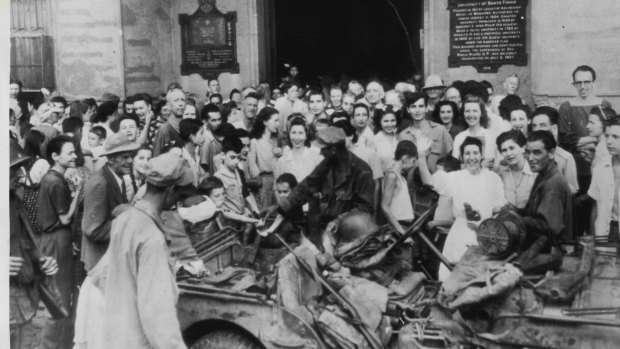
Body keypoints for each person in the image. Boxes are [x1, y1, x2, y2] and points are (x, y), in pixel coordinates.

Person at [98, 151, 193, 349]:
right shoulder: (152, 239)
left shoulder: (125, 219)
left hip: (114, 335)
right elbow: (157, 314)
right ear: (171, 190)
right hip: (138, 340)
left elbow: (101, 276)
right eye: (179, 193)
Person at [418, 136, 506, 281]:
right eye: (467, 153)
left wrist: (485, 227)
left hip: (486, 235)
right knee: (452, 278)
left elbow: (499, 211)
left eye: (475, 153)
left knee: (481, 281)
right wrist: (421, 156)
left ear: (481, 155)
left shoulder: (493, 178)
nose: (472, 157)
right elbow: (428, 181)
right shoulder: (454, 178)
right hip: (459, 235)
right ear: (461, 157)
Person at [268, 126, 375, 231]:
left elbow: (365, 209)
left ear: (333, 150)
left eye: (323, 149)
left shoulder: (362, 172)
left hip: (351, 231)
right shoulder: (327, 164)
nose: (320, 153)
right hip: (325, 227)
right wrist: (280, 206)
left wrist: (339, 220)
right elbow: (307, 186)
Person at [9, 139, 59, 349]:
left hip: (21, 304)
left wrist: (41, 261)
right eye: (13, 169)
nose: (21, 175)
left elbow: (25, 242)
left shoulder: (14, 201)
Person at [38, 136, 84, 349]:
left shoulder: (53, 178)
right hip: (57, 240)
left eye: (75, 152)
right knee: (59, 298)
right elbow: (65, 218)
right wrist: (78, 193)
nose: (75, 156)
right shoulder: (56, 181)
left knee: (61, 295)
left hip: (56, 239)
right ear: (55, 156)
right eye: (70, 153)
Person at [82, 132, 140, 271]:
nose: (130, 161)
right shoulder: (100, 184)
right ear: (111, 159)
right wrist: (128, 224)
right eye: (125, 157)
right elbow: (93, 230)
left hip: (109, 258)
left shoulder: (117, 178)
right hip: (100, 261)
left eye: (131, 156)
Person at [522, 130, 574, 243]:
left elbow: (551, 227)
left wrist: (518, 220)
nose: (530, 158)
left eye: (537, 153)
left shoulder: (553, 183)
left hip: (551, 252)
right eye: (527, 152)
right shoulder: (543, 175)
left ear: (551, 153)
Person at [214, 136, 261, 238]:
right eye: (232, 157)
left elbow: (243, 192)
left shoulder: (238, 171)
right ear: (223, 155)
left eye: (238, 158)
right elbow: (219, 208)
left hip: (241, 217)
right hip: (229, 222)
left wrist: (253, 209)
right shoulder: (218, 177)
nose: (236, 161)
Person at [399, 93, 453, 173]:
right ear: (408, 109)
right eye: (413, 107)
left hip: (437, 180)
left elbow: (451, 157)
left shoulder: (440, 130)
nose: (417, 110)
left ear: (426, 108)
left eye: (421, 106)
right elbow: (402, 165)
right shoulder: (403, 136)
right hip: (414, 182)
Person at [532, 106, 579, 194]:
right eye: (534, 126)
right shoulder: (525, 154)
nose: (537, 129)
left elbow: (572, 190)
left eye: (543, 125)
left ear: (554, 129)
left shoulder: (565, 158)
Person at [589, 118, 620, 245]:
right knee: (605, 264)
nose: (609, 141)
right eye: (607, 136)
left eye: (615, 137)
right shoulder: (600, 167)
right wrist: (592, 241)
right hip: (606, 233)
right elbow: (595, 208)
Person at [248, 107, 283, 209]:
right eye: (275, 120)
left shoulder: (276, 139)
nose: (278, 124)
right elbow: (252, 164)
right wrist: (260, 183)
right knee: (264, 210)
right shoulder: (255, 141)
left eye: (278, 121)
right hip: (263, 182)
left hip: (277, 180)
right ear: (265, 122)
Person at [381, 140, 418, 235]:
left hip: (406, 226)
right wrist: (401, 231)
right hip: (398, 228)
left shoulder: (401, 177)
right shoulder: (392, 176)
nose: (414, 165)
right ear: (405, 158)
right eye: (413, 161)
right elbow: (384, 206)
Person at [452, 96, 497, 169]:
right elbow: (455, 166)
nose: (471, 115)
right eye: (467, 111)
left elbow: (491, 163)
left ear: (481, 113)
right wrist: (479, 165)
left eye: (475, 111)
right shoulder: (459, 137)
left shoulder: (491, 136)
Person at [496, 130, 537, 210]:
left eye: (512, 148)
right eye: (504, 150)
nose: (508, 153)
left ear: (523, 148)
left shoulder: (535, 173)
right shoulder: (500, 174)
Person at [274, 116, 322, 183]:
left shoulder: (316, 158)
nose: (297, 137)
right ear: (289, 134)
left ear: (306, 135)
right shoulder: (281, 161)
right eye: (293, 132)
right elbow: (276, 188)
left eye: (301, 133)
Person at [153, 85, 186, 156]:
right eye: (176, 100)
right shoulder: (165, 129)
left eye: (182, 100)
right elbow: (157, 158)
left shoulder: (186, 126)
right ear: (168, 105)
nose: (180, 104)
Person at [179, 118, 208, 186]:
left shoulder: (196, 154)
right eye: (201, 133)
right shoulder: (183, 159)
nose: (204, 137)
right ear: (191, 136)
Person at [372, 108, 401, 173]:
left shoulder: (400, 138)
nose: (390, 124)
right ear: (380, 122)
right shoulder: (374, 140)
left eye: (392, 120)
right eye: (386, 121)